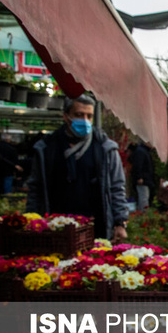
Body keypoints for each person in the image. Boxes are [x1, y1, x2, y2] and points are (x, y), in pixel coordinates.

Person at [26, 95, 128, 242]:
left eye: (89, 116)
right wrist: (31, 219)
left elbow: (116, 187)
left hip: (96, 227)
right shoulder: (47, 148)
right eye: (79, 115)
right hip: (56, 227)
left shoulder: (104, 148)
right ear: (66, 116)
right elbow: (35, 188)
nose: (85, 120)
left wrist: (120, 222)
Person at [129, 140, 155, 211]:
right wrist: (139, 177)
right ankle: (143, 214)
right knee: (144, 197)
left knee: (144, 197)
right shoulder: (141, 152)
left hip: (145, 179)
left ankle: (143, 213)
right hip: (143, 179)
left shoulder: (144, 151)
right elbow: (137, 165)